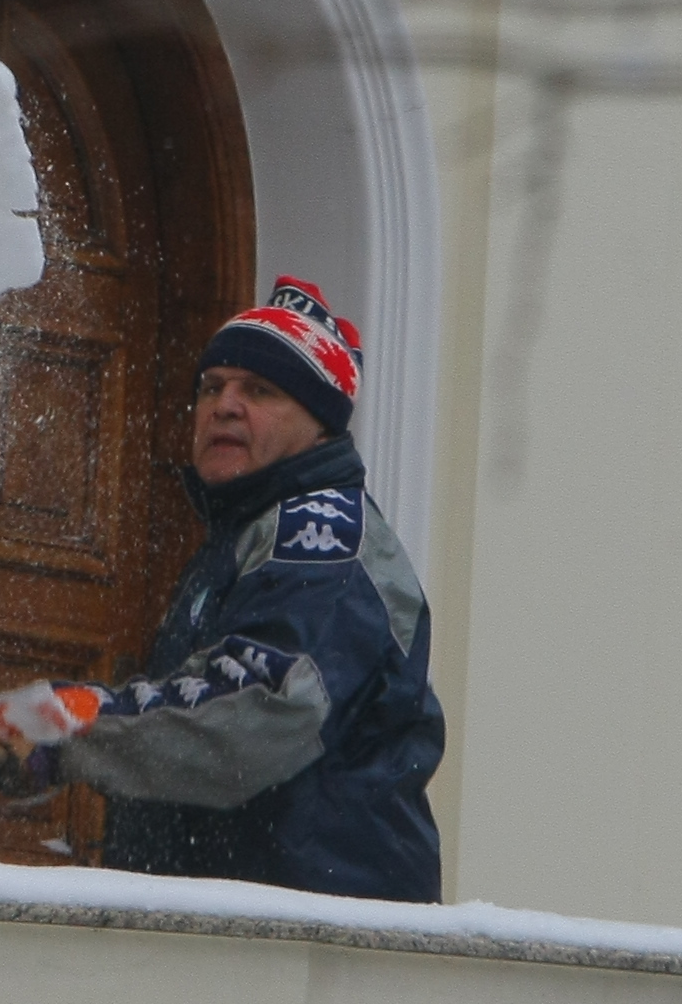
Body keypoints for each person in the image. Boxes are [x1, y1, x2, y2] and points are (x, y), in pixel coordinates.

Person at [32, 277, 448, 903]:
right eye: (211, 387)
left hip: (312, 934)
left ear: (320, 424)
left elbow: (256, 712)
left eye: (259, 390)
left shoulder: (322, 535)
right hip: (238, 928)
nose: (224, 405)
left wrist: (69, 725)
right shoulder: (245, 538)